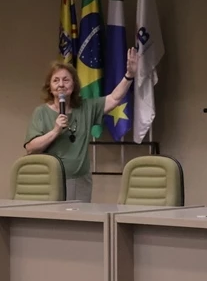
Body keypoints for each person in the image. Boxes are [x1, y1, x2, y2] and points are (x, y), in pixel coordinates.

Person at [24, 48, 138, 201]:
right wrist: (55, 131)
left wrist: (129, 76)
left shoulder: (86, 107)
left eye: (66, 80)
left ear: (74, 85)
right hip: (50, 181)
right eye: (56, 80)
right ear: (49, 87)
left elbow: (114, 99)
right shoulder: (41, 112)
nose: (61, 84)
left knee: (79, 216)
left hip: (80, 181)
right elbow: (31, 148)